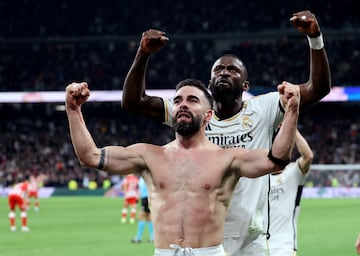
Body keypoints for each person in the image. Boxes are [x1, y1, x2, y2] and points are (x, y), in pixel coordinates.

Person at [121, 10, 331, 256]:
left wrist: (315, 38)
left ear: (245, 85)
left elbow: (319, 88)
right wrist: (143, 54)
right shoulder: (191, 112)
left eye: (232, 70)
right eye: (218, 70)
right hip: (203, 238)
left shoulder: (264, 108)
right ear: (209, 84)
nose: (223, 72)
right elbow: (133, 101)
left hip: (250, 237)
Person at [66, 79, 299, 255]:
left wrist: (291, 111)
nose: (182, 105)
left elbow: (276, 160)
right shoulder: (148, 155)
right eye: (177, 101)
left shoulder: (228, 158)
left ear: (208, 115)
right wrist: (73, 110)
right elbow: (90, 156)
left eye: (192, 100)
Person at [268, 129, 314, 256]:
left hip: (283, 246)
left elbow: (308, 156)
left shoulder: (293, 172)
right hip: (258, 244)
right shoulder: (258, 176)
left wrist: (291, 128)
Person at [131, 176, 154, 243]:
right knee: (148, 218)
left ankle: (138, 237)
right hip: (145, 199)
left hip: (146, 199)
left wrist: (136, 201)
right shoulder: (142, 178)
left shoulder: (145, 178)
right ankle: (152, 237)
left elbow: (145, 190)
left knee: (141, 217)